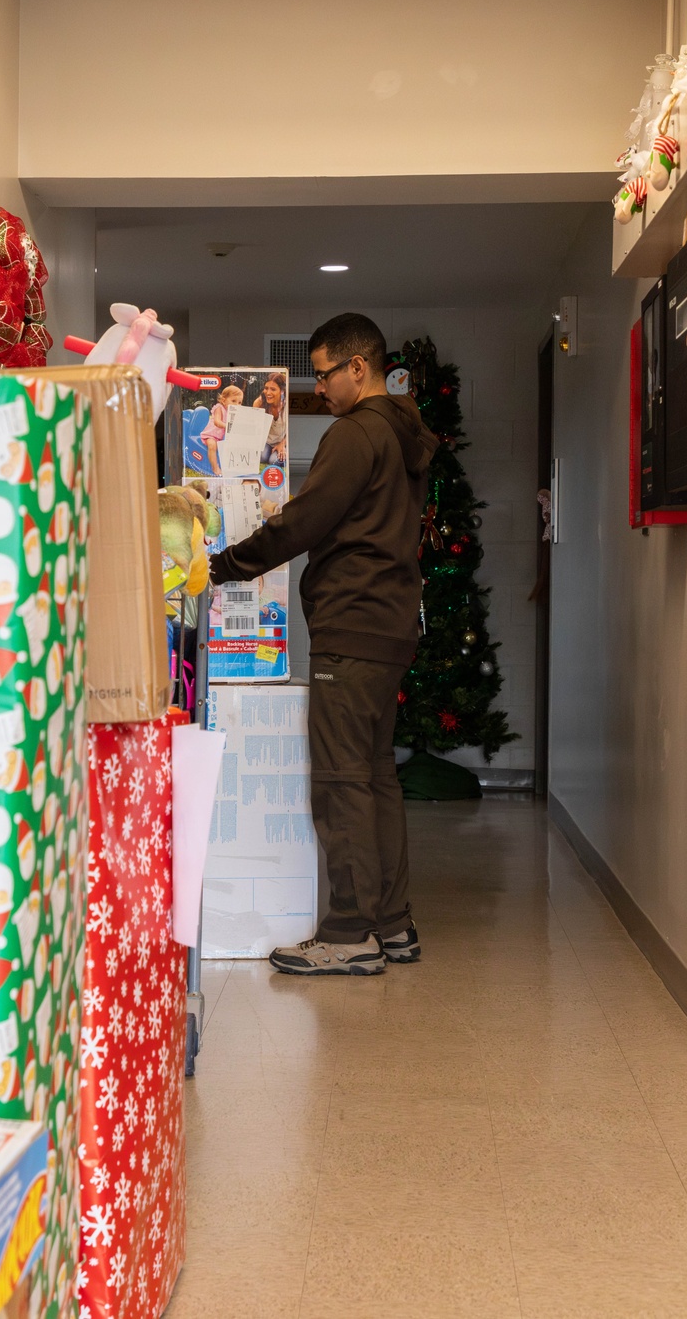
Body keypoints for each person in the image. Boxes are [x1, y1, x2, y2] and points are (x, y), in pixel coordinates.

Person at [208, 313, 438, 976]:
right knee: (374, 778)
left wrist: (223, 565)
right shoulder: (399, 435)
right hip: (388, 625)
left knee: (341, 783)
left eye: (325, 373)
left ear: (358, 368)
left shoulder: (356, 434)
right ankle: (392, 925)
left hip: (353, 624)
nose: (320, 387)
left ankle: (348, 932)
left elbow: (305, 521)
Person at [199, 384, 243, 475]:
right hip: (211, 435)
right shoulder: (219, 408)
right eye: (233, 401)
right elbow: (217, 422)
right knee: (212, 445)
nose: (236, 405)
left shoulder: (233, 412)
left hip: (221, 437)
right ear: (224, 400)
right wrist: (227, 426)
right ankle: (215, 468)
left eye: (239, 402)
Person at [253, 373, 287, 466]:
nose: (268, 392)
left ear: (282, 391)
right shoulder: (259, 402)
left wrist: (282, 444)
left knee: (274, 461)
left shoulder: (287, 404)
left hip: (283, 440)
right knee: (262, 457)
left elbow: (294, 430)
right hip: (266, 441)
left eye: (273, 389)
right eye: (266, 388)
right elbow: (255, 428)